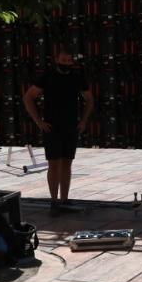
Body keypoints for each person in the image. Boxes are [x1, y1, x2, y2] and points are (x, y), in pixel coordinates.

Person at [24, 47, 94, 211]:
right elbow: (28, 97)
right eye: (64, 60)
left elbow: (89, 99)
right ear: (56, 60)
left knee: (67, 163)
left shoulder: (77, 77)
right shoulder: (47, 76)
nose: (67, 64)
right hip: (51, 127)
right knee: (54, 164)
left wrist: (83, 120)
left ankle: (65, 199)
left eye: (69, 61)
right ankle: (54, 201)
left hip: (71, 126)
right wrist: (38, 121)